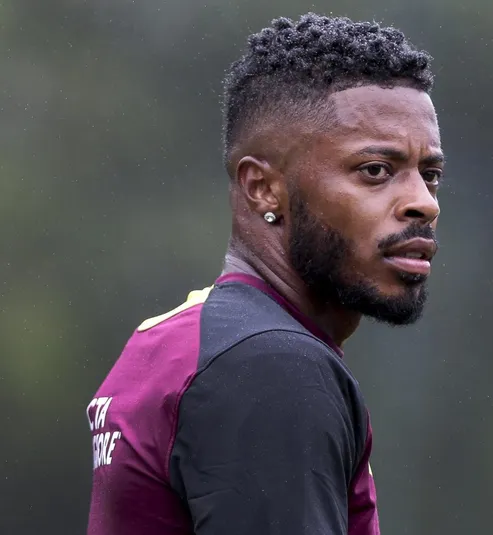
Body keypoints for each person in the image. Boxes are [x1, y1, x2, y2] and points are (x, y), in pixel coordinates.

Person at [86, 12, 443, 535]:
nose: (423, 203)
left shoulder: (177, 343)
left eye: (430, 174)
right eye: (376, 171)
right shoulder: (272, 367)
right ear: (263, 188)